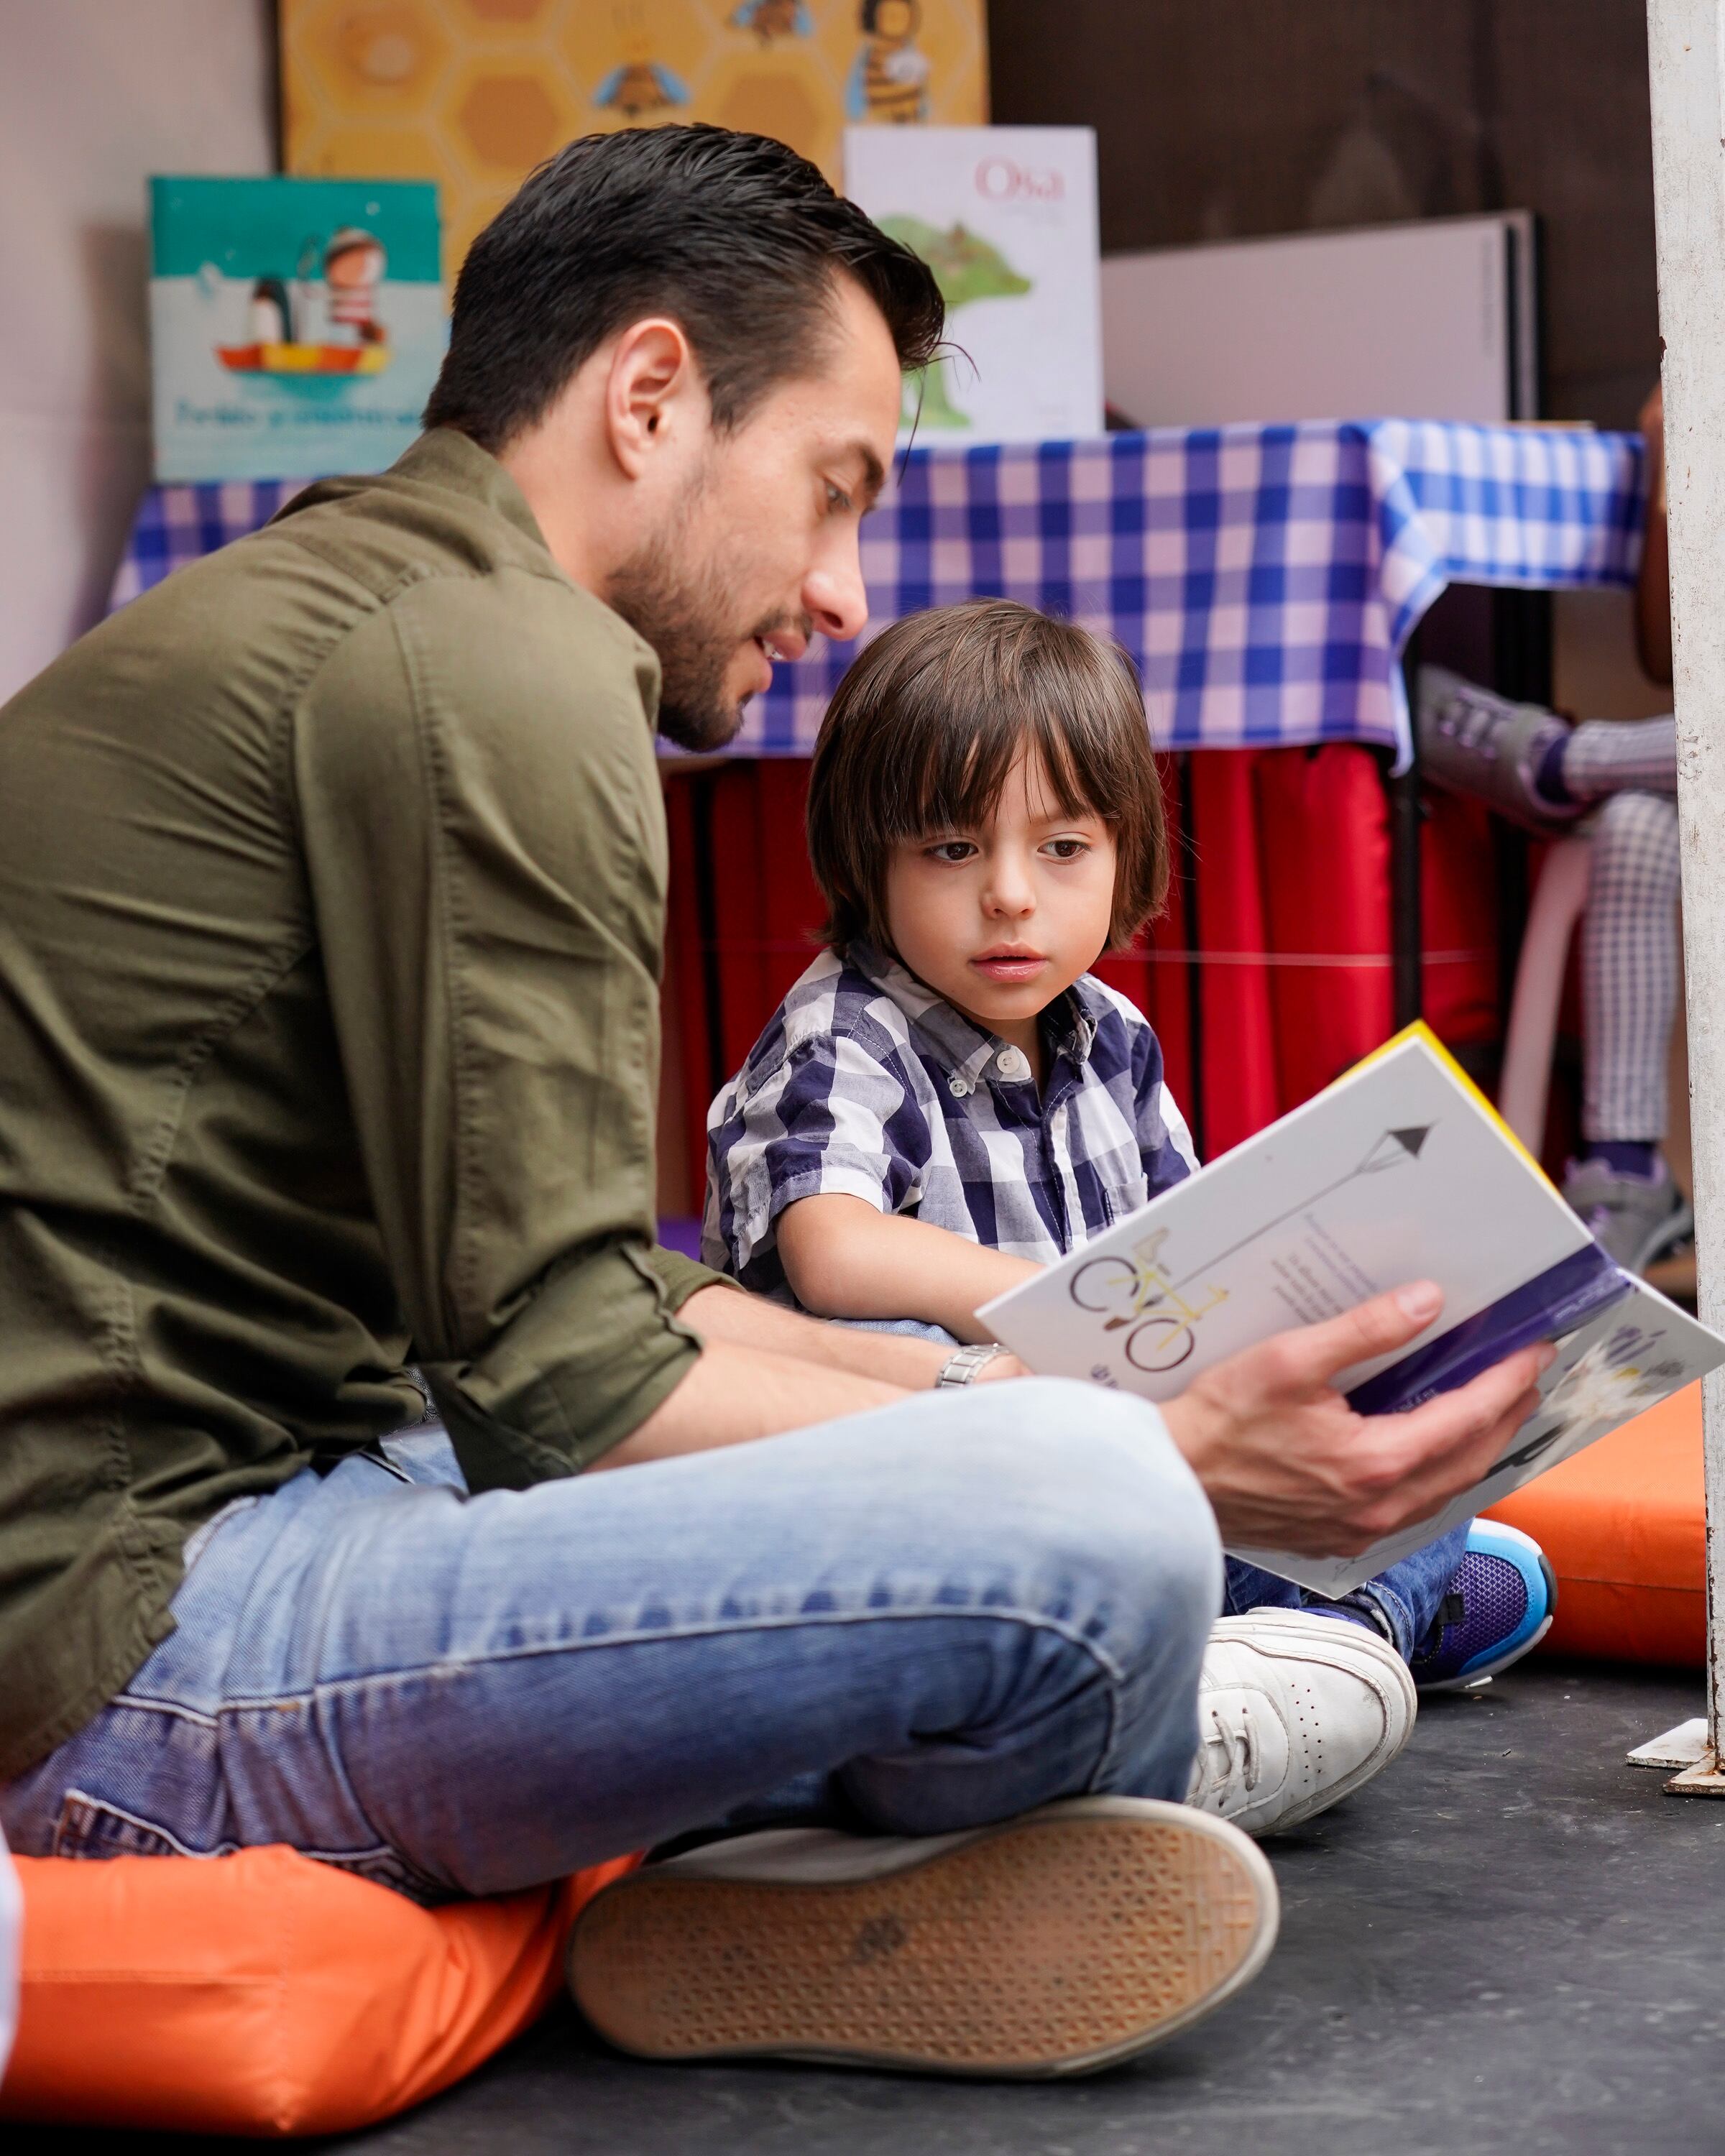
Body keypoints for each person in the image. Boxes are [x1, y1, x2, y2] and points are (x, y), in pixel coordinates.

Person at [0, 126, 1550, 2080]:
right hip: (130, 1663)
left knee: (1038, 1440)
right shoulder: (501, 658)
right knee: (1099, 1532)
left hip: (254, 1505)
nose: (840, 592)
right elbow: (569, 1394)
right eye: (835, 491)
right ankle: (1135, 1745)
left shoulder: (362, 604)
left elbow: (604, 1316)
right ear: (650, 397)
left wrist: (1075, 1396)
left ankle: (808, 1867)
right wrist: (1144, 1452)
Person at [704, 596, 1558, 1746]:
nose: (1011, 894)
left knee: (1431, 1470)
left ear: (1123, 855)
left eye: (1061, 849)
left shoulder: (1112, 1035)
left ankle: (1307, 1633)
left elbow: (1194, 1253)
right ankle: (1345, 1633)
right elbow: (833, 1244)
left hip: (1126, 1468)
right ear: (870, 861)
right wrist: (1053, 1315)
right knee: (918, 1362)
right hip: (937, 1500)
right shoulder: (843, 1036)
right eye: (953, 848)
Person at [1419, 384, 1690, 1274]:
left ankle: (1561, 763)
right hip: (1675, 756)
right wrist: (1670, 457)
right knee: (1639, 823)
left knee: (1615, 793)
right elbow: (1667, 651)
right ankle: (1625, 1166)